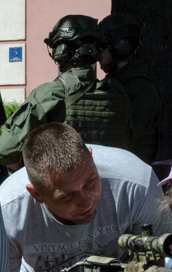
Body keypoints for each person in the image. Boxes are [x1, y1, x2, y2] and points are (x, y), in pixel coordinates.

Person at [0, 122, 172, 272]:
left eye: (90, 182)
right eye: (67, 196)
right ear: (37, 194)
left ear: (91, 156)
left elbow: (154, 270)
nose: (86, 201)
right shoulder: (8, 210)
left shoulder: (137, 184)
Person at [0, 14, 135, 171]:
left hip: (65, 183)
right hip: (111, 182)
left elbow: (5, 149)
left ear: (61, 50)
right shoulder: (119, 93)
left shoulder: (51, 93)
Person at [98, 12, 160, 164]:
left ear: (117, 48)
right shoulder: (118, 84)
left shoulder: (138, 89)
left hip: (130, 169)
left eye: (102, 47)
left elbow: (125, 141)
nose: (98, 55)